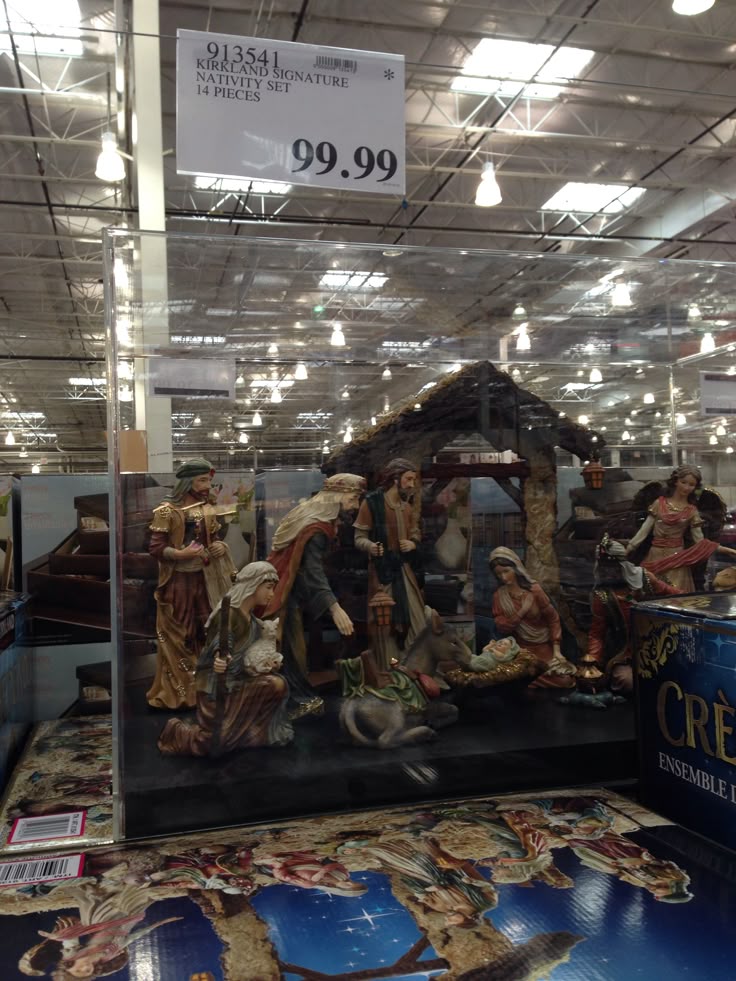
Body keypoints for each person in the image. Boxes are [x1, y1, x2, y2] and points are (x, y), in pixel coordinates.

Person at [158, 562, 293, 756]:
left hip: (238, 682)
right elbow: (221, 642)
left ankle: (255, 731)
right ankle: (177, 732)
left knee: (277, 684)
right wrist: (219, 659)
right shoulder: (228, 615)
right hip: (216, 688)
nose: (272, 594)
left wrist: (267, 663)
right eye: (268, 588)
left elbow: (252, 655)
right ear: (253, 585)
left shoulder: (254, 623)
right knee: (214, 744)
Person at [263, 473, 367, 718]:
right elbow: (312, 572)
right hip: (285, 593)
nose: (355, 505)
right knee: (292, 646)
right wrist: (335, 608)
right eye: (353, 498)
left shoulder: (312, 517)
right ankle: (295, 699)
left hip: (288, 587)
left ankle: (294, 695)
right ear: (337, 495)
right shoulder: (317, 529)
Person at [146, 459, 237, 710]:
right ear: (187, 482)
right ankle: (179, 691)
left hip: (204, 578)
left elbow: (213, 538)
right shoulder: (166, 510)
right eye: (202, 480)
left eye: (209, 480)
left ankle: (204, 685)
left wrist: (219, 546)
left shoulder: (208, 509)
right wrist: (180, 554)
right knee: (181, 630)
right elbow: (155, 548)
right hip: (178, 581)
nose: (207, 486)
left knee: (207, 626)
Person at [18, 882, 180, 978]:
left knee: (98, 905)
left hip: (100, 920)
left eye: (78, 969)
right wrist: (159, 924)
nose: (85, 967)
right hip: (126, 920)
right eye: (86, 972)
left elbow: (70, 939)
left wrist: (57, 937)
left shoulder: (72, 953)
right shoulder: (108, 956)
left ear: (70, 965)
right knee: (137, 896)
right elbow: (133, 937)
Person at [353, 459, 426, 670]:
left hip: (404, 570)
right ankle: (389, 666)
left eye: (413, 480)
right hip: (383, 572)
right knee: (384, 619)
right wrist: (371, 547)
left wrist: (412, 544)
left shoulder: (407, 508)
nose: (412, 484)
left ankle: (414, 666)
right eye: (408, 479)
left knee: (417, 618)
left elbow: (415, 534)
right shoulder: (372, 503)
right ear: (395, 479)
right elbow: (359, 537)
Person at [588, 535, 682, 695]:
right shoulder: (603, 596)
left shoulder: (645, 579)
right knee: (628, 681)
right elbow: (597, 634)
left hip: (659, 645)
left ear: (622, 565)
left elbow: (675, 595)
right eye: (604, 567)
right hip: (625, 654)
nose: (608, 573)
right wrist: (592, 661)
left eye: (612, 567)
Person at [625, 465, 736, 592]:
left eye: (691, 485)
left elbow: (700, 543)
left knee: (676, 594)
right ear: (676, 481)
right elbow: (643, 531)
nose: (686, 487)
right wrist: (628, 550)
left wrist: (728, 550)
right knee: (650, 590)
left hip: (677, 560)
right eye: (683, 482)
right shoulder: (659, 503)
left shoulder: (691, 511)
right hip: (654, 556)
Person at [489, 547, 576, 689]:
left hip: (543, 648)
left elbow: (553, 619)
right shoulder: (499, 596)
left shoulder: (535, 590)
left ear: (516, 568)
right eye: (498, 574)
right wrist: (523, 610)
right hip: (519, 651)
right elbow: (503, 627)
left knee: (564, 680)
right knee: (508, 677)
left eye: (506, 571)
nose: (503, 577)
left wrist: (557, 651)